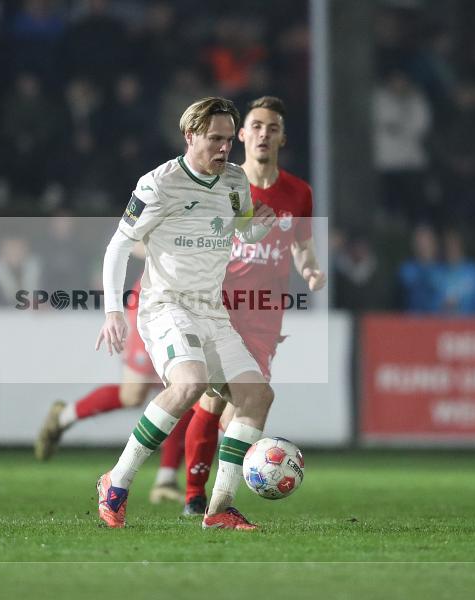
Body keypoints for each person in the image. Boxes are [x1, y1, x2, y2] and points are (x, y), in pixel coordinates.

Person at [94, 96, 277, 530]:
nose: (224, 148)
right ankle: (117, 481)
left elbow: (240, 227)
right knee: (190, 383)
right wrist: (113, 310)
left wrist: (257, 227)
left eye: (229, 140)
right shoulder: (158, 184)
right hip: (166, 306)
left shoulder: (235, 180)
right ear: (190, 135)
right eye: (215, 139)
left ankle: (219, 509)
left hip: (212, 311)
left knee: (257, 397)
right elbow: (119, 245)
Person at [180, 96, 326, 515]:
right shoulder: (223, 184)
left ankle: (213, 496)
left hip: (265, 318)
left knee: (242, 404)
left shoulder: (299, 193)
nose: (264, 134)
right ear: (242, 135)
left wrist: (311, 269)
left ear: (282, 138)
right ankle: (195, 495)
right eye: (257, 127)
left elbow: (302, 246)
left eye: (272, 128)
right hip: (220, 308)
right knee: (213, 402)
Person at [35, 251, 194, 505]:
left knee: (185, 387)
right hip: (152, 302)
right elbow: (131, 243)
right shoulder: (165, 221)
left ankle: (166, 479)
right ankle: (63, 416)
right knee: (132, 395)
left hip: (192, 303)